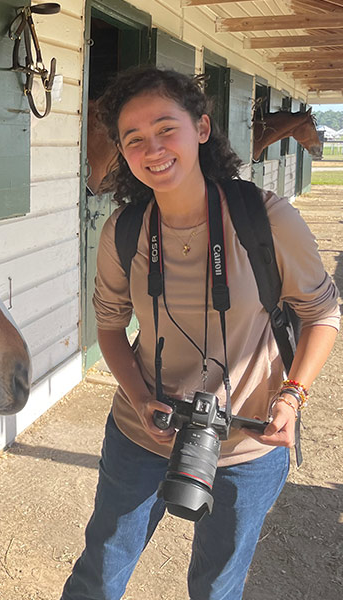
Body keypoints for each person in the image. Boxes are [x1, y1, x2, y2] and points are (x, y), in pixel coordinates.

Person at [60, 67, 340, 600]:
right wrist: (141, 399)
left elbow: (322, 313)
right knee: (98, 574)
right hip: (143, 432)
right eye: (134, 138)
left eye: (167, 128)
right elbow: (110, 326)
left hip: (247, 441)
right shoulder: (122, 230)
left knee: (217, 587)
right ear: (122, 151)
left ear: (203, 129)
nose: (153, 148)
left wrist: (292, 396)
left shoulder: (265, 218)